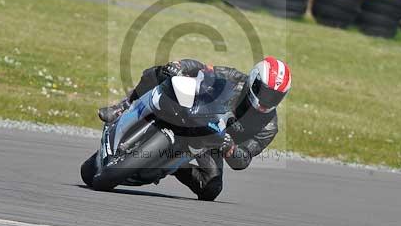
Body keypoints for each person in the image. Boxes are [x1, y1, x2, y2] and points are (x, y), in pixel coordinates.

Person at [98, 57, 292, 201]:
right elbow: (201, 69)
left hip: (212, 142)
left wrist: (230, 148)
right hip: (193, 112)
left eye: (275, 97)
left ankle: (173, 166)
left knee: (211, 188)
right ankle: (123, 106)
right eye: (265, 92)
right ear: (254, 81)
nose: (267, 101)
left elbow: (244, 159)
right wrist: (180, 65)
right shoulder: (233, 78)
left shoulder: (268, 126)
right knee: (161, 72)